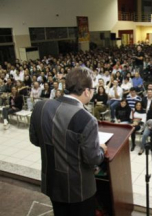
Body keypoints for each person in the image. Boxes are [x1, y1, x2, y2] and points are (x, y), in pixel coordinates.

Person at [29, 67, 107, 216]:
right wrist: (102, 149)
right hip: (79, 189)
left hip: (52, 181)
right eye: (93, 89)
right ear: (86, 91)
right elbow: (92, 158)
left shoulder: (40, 107)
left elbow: (35, 140)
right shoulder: (86, 119)